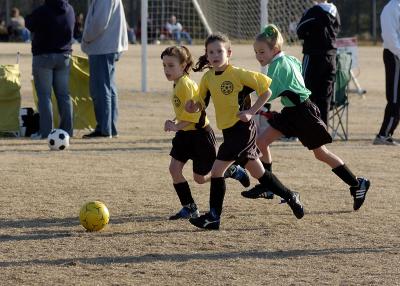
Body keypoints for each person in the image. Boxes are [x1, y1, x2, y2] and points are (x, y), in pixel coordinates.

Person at [241, 24, 370, 213]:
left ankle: (357, 183)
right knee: (261, 141)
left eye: (262, 52)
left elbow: (267, 93)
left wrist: (251, 109)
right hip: (292, 111)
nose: (259, 56)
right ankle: (268, 187)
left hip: (303, 113)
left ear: (274, 49)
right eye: (256, 52)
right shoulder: (289, 59)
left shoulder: (277, 65)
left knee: (321, 154)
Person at [185, 33, 305, 230]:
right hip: (230, 132)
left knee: (217, 172)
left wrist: (251, 111)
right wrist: (193, 107)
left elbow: (266, 90)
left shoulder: (238, 74)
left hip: (242, 130)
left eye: (219, 51)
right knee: (257, 173)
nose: (215, 55)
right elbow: (201, 103)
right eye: (211, 52)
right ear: (207, 55)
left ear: (229, 53)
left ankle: (214, 217)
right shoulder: (207, 78)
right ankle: (290, 195)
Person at [161, 45, 250, 220]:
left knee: (200, 178)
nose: (166, 69)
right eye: (164, 65)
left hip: (200, 136)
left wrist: (176, 126)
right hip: (184, 135)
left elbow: (195, 115)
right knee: (174, 169)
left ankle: (230, 170)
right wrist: (174, 121)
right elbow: (183, 111)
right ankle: (189, 207)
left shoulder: (186, 85)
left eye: (171, 65)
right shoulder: (178, 83)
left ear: (184, 65)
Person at [25, 0, 75, 139]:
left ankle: (45, 132)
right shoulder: (70, 9)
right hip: (64, 56)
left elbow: (29, 23)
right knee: (64, 95)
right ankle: (67, 131)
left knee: (44, 96)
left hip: (44, 56)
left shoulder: (43, 10)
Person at [81, 0, 128, 138]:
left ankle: (104, 129)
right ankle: (110, 127)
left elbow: (99, 23)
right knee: (108, 88)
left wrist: (86, 37)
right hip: (107, 46)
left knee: (100, 89)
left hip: (102, 47)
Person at [296, 0, 340, 124]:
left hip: (313, 56)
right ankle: (322, 130)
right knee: (324, 97)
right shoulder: (335, 11)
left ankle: (300, 129)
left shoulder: (313, 11)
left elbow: (299, 30)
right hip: (331, 58)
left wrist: (311, 34)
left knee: (304, 92)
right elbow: (336, 30)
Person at [373, 0, 400, 146]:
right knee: (395, 97)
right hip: (395, 55)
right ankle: (383, 135)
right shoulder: (392, 8)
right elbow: (390, 38)